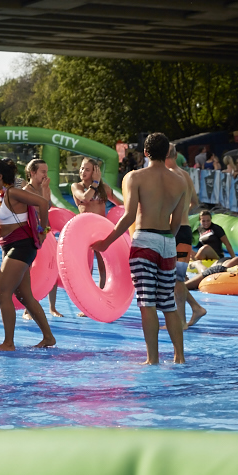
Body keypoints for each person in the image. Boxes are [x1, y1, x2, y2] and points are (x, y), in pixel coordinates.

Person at [93, 133, 190, 365]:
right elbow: (177, 221)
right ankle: (179, 357)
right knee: (168, 302)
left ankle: (152, 359)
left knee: (147, 303)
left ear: (145, 153)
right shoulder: (180, 181)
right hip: (168, 241)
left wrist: (106, 242)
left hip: (145, 241)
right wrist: (166, 240)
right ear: (167, 152)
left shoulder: (134, 177)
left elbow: (128, 216)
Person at [0, 158, 55, 351]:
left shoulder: (13, 193)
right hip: (11, 246)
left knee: (3, 291)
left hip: (21, 245)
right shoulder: (1, 196)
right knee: (24, 295)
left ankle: (8, 343)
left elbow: (42, 202)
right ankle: (48, 337)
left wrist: (42, 229)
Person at [66, 157, 119, 316]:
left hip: (100, 230)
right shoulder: (76, 186)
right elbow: (84, 198)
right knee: (86, 267)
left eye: (87, 169)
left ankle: (101, 300)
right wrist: (95, 183)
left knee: (103, 266)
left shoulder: (104, 188)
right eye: (82, 168)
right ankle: (86, 303)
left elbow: (119, 202)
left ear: (95, 171)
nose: (82, 172)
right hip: (83, 231)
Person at [167, 144, 206, 328]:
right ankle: (195, 307)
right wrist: (182, 212)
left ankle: (181, 320)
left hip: (174, 231)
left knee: (175, 279)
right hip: (184, 230)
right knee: (177, 278)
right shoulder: (185, 175)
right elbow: (195, 203)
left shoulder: (169, 175)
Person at [21, 158, 52, 321]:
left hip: (43, 234)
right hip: (31, 236)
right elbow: (42, 210)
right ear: (32, 173)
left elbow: (49, 208)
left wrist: (46, 191)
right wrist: (45, 193)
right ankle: (28, 308)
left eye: (47, 172)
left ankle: (47, 306)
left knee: (47, 269)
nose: (46, 175)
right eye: (43, 172)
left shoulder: (44, 188)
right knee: (31, 273)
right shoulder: (26, 191)